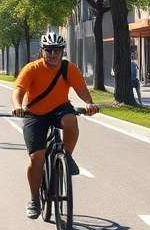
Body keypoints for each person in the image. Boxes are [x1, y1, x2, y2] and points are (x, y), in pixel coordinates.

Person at [12, 33, 98, 219]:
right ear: (42, 51)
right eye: (49, 50)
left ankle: (67, 156)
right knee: (37, 157)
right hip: (35, 113)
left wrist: (89, 103)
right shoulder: (32, 68)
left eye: (57, 50)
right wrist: (18, 106)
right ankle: (34, 199)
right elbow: (19, 89)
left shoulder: (69, 69)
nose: (53, 54)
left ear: (62, 52)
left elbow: (81, 88)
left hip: (60, 108)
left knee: (71, 120)